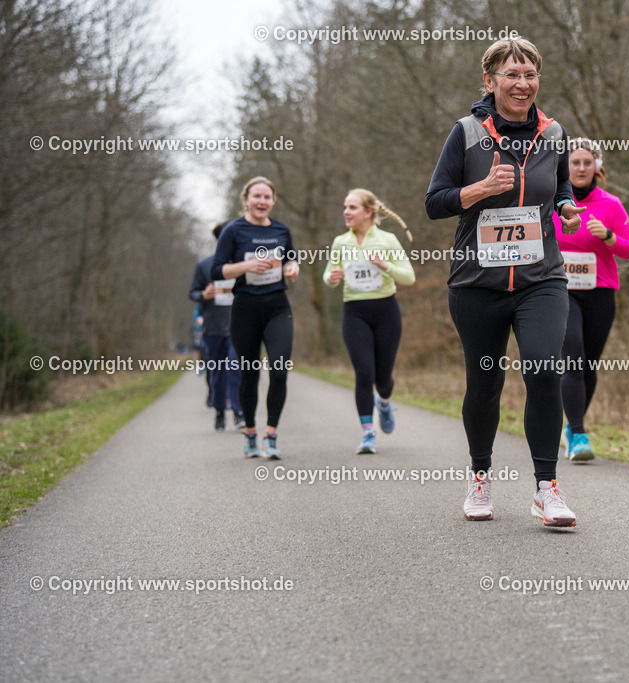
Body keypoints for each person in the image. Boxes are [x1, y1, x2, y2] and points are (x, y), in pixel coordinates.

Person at [425, 37, 585, 527]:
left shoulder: (554, 133)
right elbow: (434, 202)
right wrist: (479, 189)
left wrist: (565, 207)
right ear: (489, 80)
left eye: (530, 74)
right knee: (485, 383)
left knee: (544, 368)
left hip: (541, 278)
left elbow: (560, 183)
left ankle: (546, 488)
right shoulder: (467, 132)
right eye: (511, 74)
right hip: (478, 282)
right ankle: (480, 477)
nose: (522, 84)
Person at [554, 138, 629, 461]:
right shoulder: (552, 202)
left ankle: (571, 427)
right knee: (573, 360)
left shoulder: (611, 204)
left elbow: (628, 249)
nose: (581, 168)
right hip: (562, 291)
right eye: (575, 162)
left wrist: (609, 236)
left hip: (600, 292)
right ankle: (578, 434)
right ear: (565, 166)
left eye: (587, 162)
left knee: (588, 365)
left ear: (596, 167)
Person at [211, 177, 299, 459]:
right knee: (249, 374)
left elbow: (291, 259)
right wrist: (246, 266)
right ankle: (250, 432)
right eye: (256, 196)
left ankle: (270, 435)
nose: (262, 202)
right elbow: (217, 270)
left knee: (279, 369)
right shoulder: (234, 231)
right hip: (245, 309)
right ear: (246, 200)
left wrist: (292, 269)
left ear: (273, 201)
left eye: (267, 197)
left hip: (277, 307)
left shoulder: (281, 230)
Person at [322, 189, 415, 454]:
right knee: (364, 372)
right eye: (345, 207)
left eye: (352, 207)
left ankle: (383, 403)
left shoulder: (387, 240)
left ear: (368, 212)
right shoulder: (341, 242)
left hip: (386, 312)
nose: (346, 212)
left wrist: (386, 266)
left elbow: (409, 277)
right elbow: (328, 274)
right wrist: (332, 278)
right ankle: (367, 434)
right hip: (354, 313)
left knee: (383, 379)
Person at [190, 222, 246, 431]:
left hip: (238, 326)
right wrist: (204, 294)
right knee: (217, 372)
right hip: (213, 328)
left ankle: (239, 412)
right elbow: (192, 292)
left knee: (235, 367)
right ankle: (220, 412)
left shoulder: (244, 264)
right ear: (217, 240)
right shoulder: (205, 265)